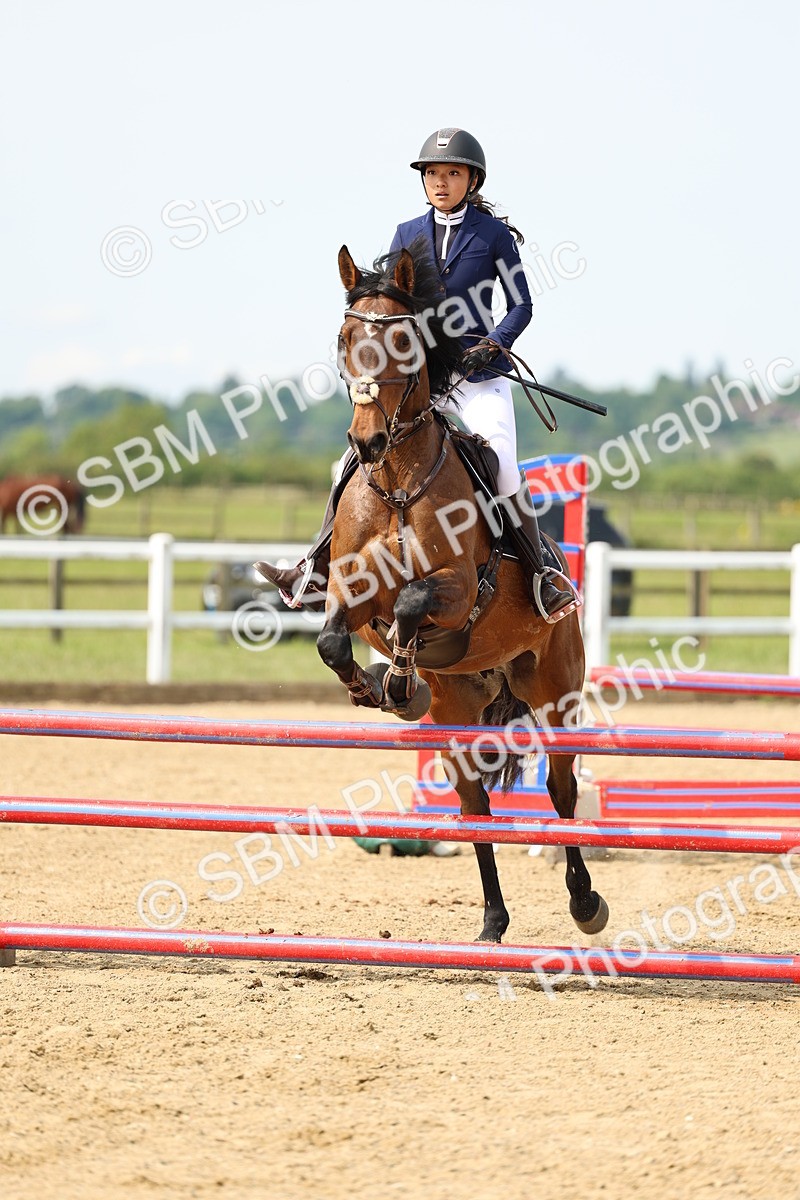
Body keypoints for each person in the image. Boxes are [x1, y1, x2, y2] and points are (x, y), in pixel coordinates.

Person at [256, 127, 576, 620]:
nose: (441, 182)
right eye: (432, 173)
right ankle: (315, 566)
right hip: (422, 381)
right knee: (348, 463)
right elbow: (389, 303)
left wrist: (493, 343)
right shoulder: (406, 233)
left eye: (452, 173)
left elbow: (521, 305)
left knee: (506, 466)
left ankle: (539, 575)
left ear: (472, 180)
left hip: (478, 376)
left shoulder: (492, 237)